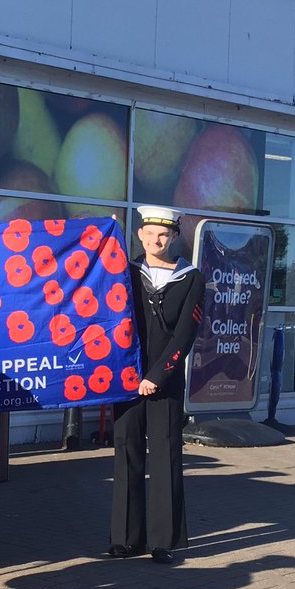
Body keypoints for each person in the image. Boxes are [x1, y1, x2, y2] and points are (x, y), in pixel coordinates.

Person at [109, 206, 206, 565]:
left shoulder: (192, 278)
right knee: (126, 453)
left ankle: (164, 542)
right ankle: (124, 538)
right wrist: (128, 372)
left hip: (162, 380)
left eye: (163, 234)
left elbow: (185, 334)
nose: (156, 240)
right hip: (127, 377)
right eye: (149, 233)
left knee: (165, 456)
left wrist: (157, 376)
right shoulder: (125, 273)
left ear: (175, 237)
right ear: (139, 235)